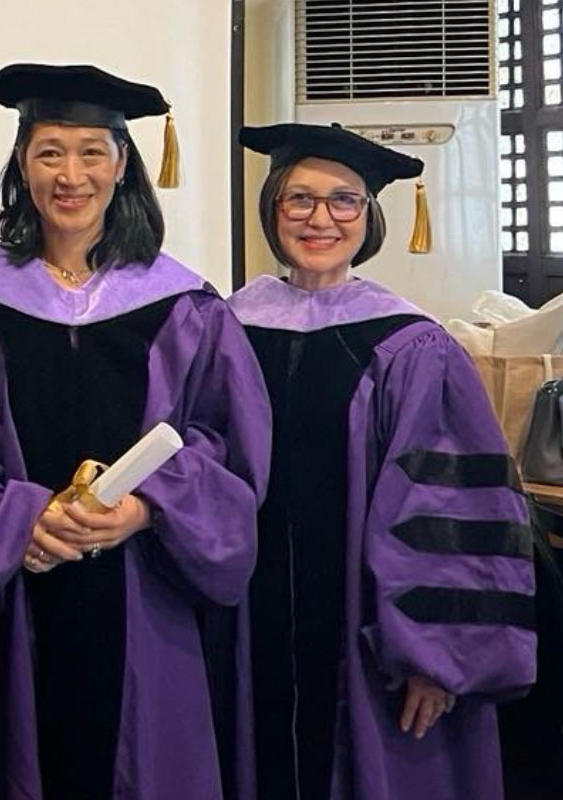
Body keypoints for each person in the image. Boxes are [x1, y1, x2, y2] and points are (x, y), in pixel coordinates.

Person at [0, 63, 271, 799]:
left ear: (122, 163)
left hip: (147, 598)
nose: (71, 175)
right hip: (12, 604)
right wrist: (20, 519)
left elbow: (225, 443)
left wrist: (146, 507)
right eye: (49, 152)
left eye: (91, 152)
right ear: (21, 165)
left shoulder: (185, 307)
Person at [215, 122, 537, 800]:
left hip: (368, 636)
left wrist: (436, 653)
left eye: (344, 201)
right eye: (298, 199)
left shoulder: (412, 344)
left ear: (369, 215)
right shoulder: (225, 328)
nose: (320, 218)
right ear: (273, 208)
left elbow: (452, 505)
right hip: (244, 621)